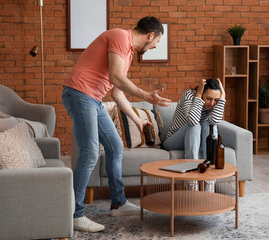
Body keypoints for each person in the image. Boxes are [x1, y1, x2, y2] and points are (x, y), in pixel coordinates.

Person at [62, 16, 171, 233]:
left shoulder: (128, 52)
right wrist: (145, 95)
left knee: (115, 146)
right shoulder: (121, 36)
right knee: (91, 152)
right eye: (157, 42)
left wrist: (137, 119)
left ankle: (118, 203)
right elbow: (115, 76)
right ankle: (73, 213)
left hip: (93, 99)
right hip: (80, 94)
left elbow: (117, 92)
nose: (155, 46)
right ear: (151, 36)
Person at [162, 78, 226, 191]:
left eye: (216, 100)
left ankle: (209, 179)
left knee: (209, 125)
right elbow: (192, 120)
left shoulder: (215, 102)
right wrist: (198, 96)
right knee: (195, 125)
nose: (212, 103)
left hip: (196, 140)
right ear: (202, 93)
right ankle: (191, 180)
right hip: (174, 141)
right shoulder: (189, 96)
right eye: (208, 99)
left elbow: (214, 122)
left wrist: (222, 98)